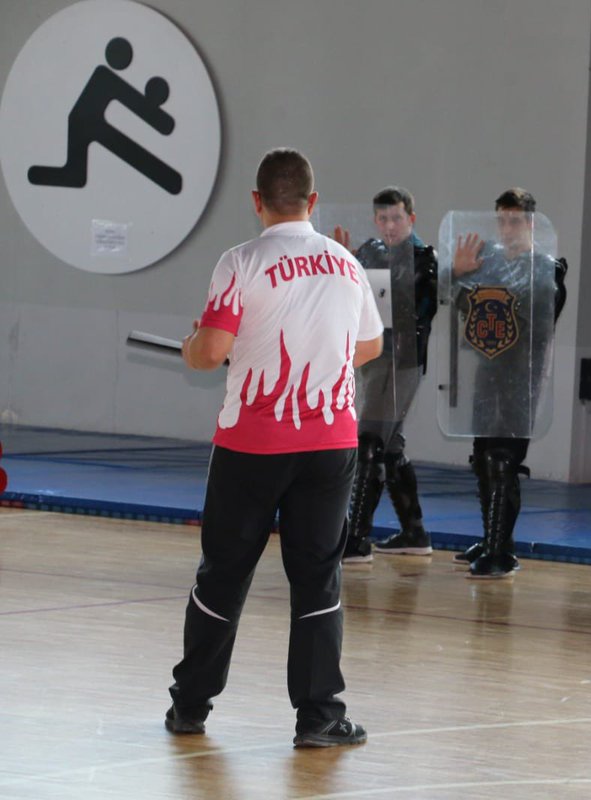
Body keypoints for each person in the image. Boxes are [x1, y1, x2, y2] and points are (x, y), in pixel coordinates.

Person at [165, 148, 382, 747]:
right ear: (313, 201)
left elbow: (210, 351)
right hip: (330, 444)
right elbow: (368, 347)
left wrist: (191, 347)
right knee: (317, 577)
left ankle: (190, 708)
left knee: (224, 573)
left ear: (257, 201)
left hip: (253, 446)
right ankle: (320, 718)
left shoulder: (240, 262)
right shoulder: (346, 263)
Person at [448, 188, 568, 578]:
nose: (507, 227)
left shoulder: (546, 267)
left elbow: (543, 314)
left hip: (522, 374)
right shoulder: (488, 262)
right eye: (502, 219)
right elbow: (454, 304)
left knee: (503, 460)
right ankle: (493, 538)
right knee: (483, 458)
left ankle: (500, 551)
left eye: (515, 219)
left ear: (531, 223)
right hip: (486, 369)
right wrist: (458, 274)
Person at [334, 187, 439, 563]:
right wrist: (346, 261)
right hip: (375, 358)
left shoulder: (425, 259)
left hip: (404, 360)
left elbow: (420, 308)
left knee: (370, 440)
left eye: (397, 218)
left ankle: (357, 537)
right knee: (390, 445)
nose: (390, 225)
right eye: (383, 218)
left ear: (411, 218)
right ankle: (415, 532)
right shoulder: (369, 252)